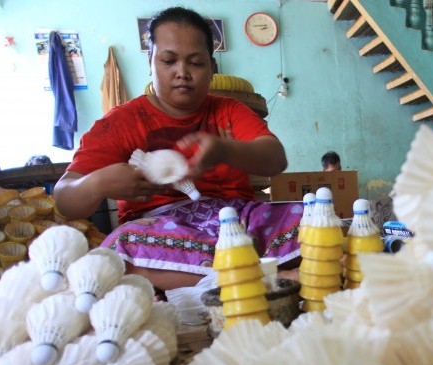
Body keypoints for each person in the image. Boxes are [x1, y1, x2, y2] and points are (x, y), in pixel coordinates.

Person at [54, 7, 301, 292]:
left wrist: (224, 150)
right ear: (150, 63)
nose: (181, 73)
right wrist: (97, 184)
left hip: (237, 222)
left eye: (195, 63)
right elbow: (64, 198)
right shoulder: (120, 124)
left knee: (312, 218)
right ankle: (269, 277)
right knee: (123, 246)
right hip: (162, 231)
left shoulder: (229, 111)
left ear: (212, 68)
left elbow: (275, 159)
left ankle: (239, 275)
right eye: (168, 60)